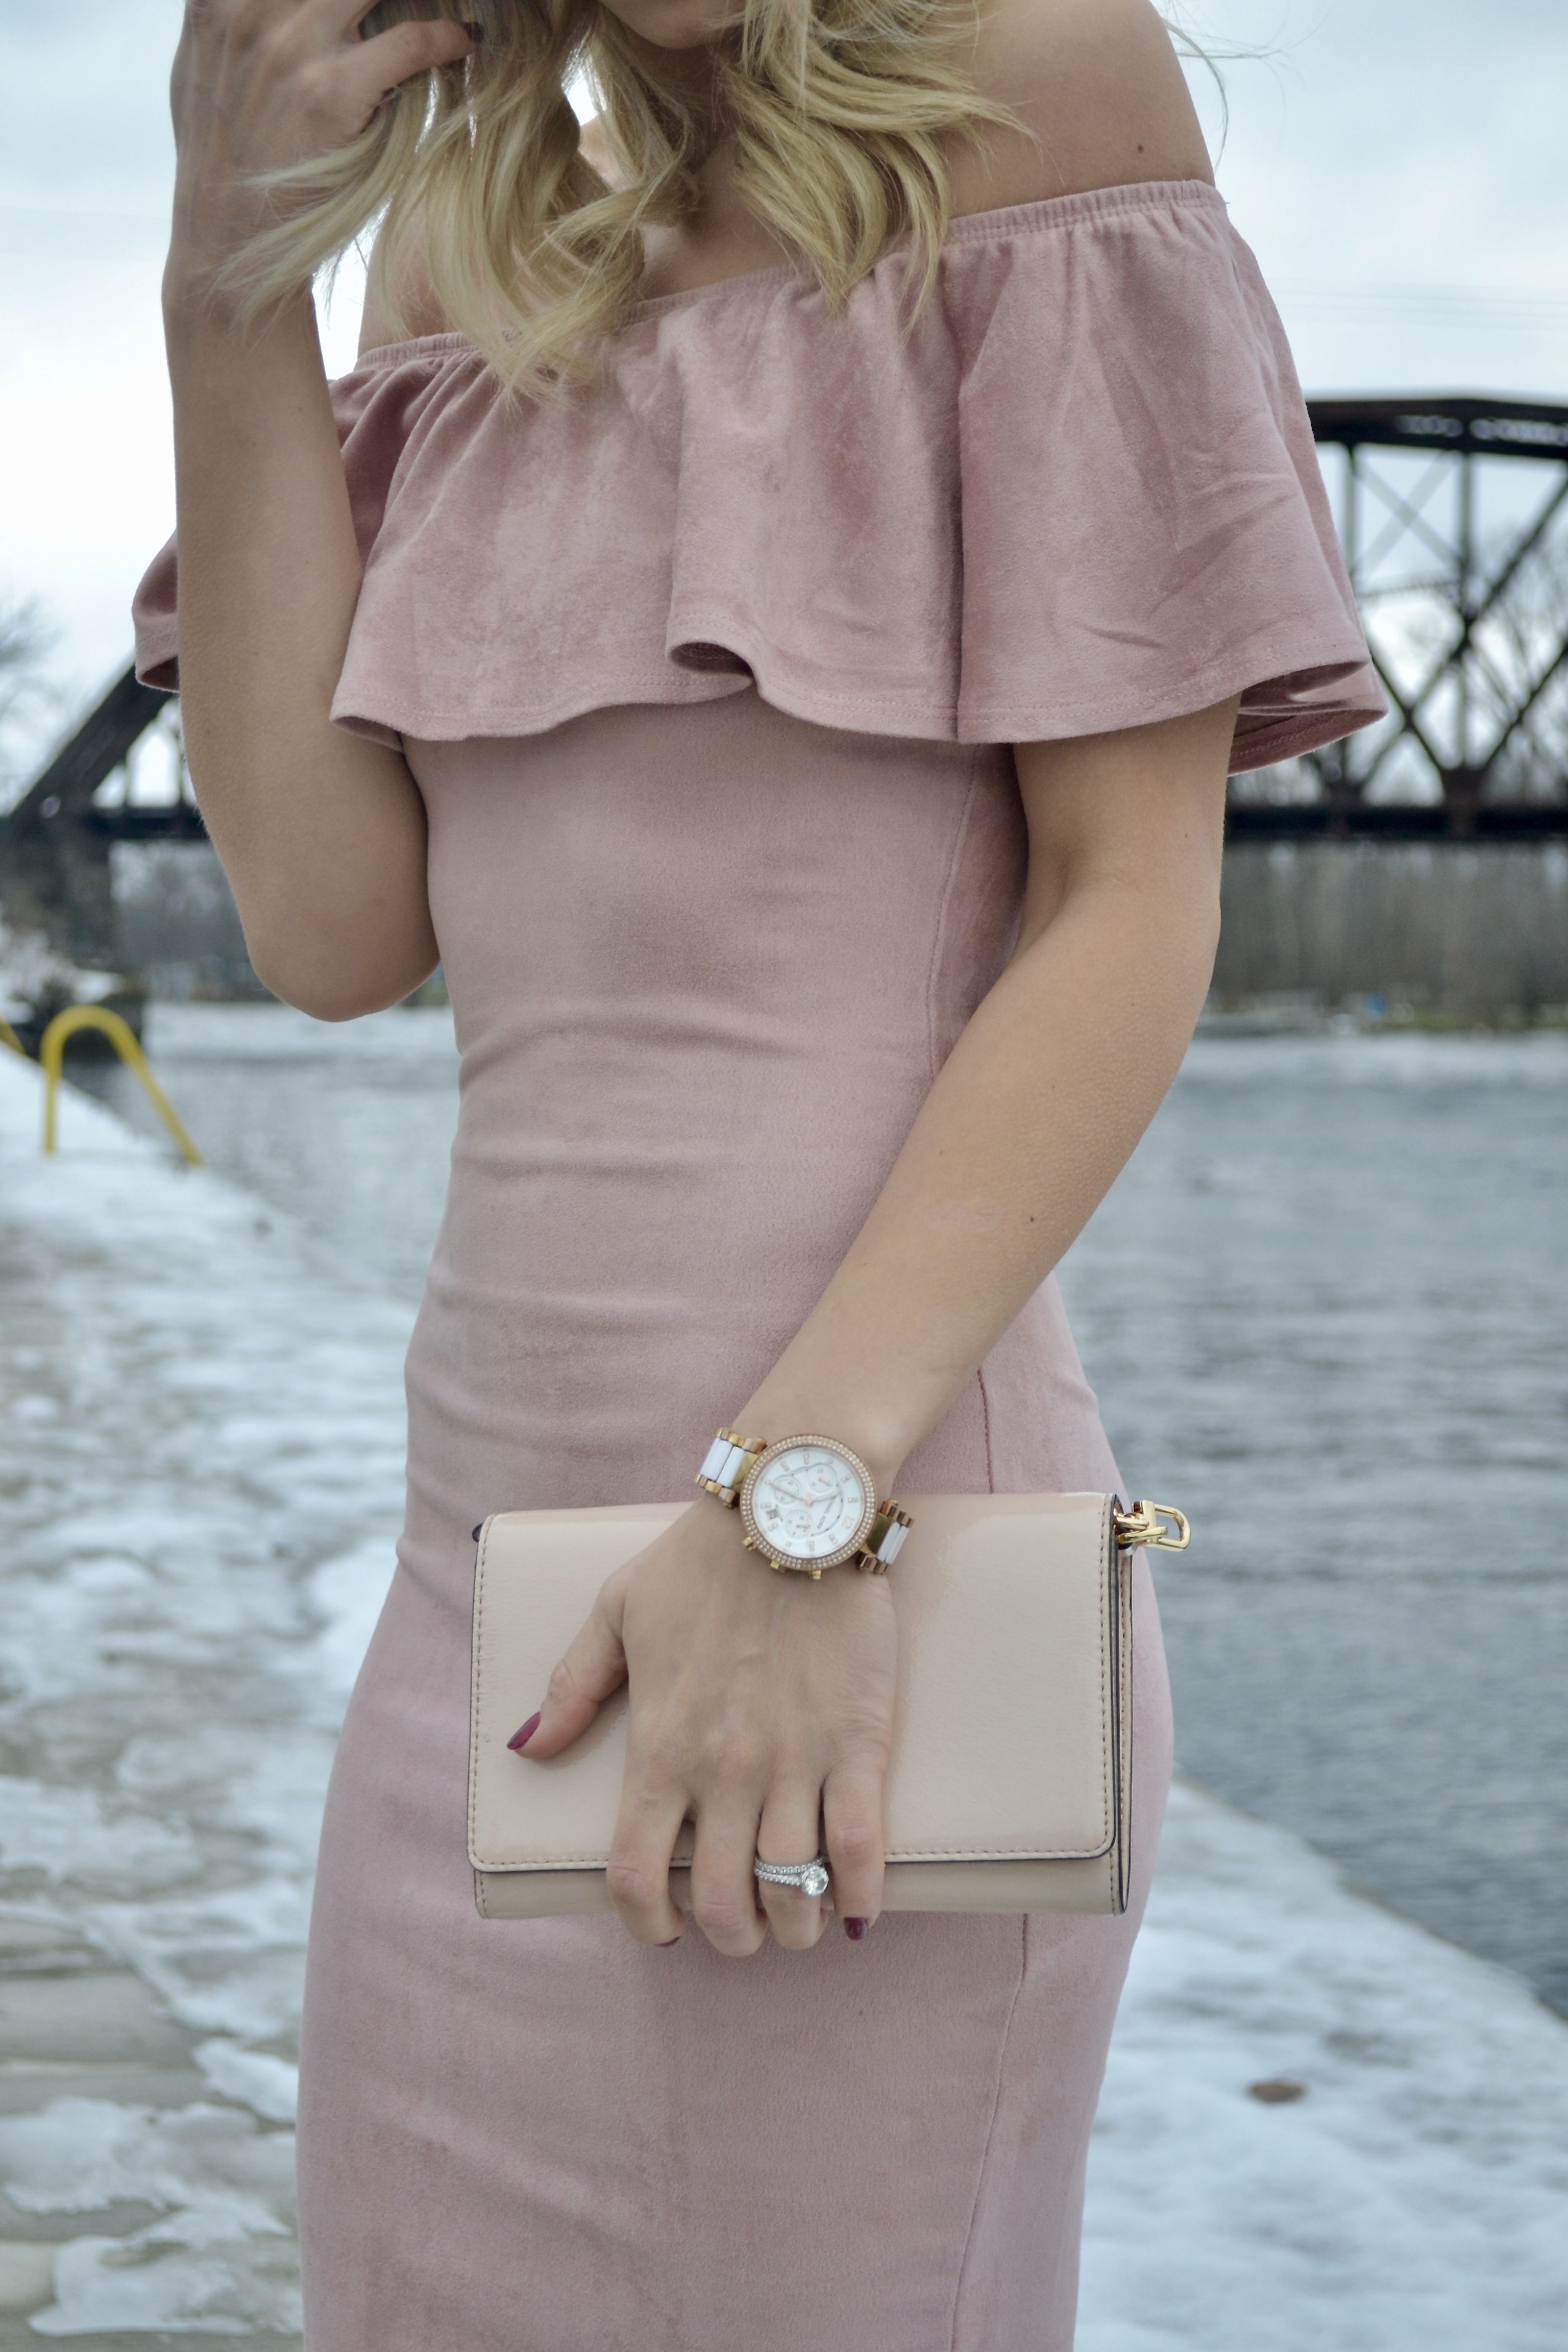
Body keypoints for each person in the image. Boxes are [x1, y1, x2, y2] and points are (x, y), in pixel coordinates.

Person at [135, 1, 1380, 2343]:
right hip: (484, 1621)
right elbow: (324, 922)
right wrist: (226, 282)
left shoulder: (1040, 93)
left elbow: (1132, 901)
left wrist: (803, 1507)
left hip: (869, 1592)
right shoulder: (463, 260)